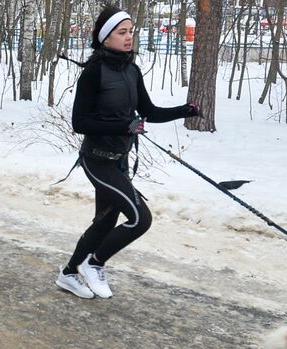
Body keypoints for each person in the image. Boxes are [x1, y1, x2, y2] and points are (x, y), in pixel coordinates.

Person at [55, 5, 202, 299]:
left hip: (119, 160)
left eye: (131, 31)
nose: (128, 37)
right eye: (122, 32)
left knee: (105, 222)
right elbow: (79, 123)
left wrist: (184, 111)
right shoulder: (94, 72)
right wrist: (124, 126)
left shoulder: (132, 70)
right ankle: (93, 263)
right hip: (97, 160)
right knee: (140, 219)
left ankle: (69, 273)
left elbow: (148, 112)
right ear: (105, 37)